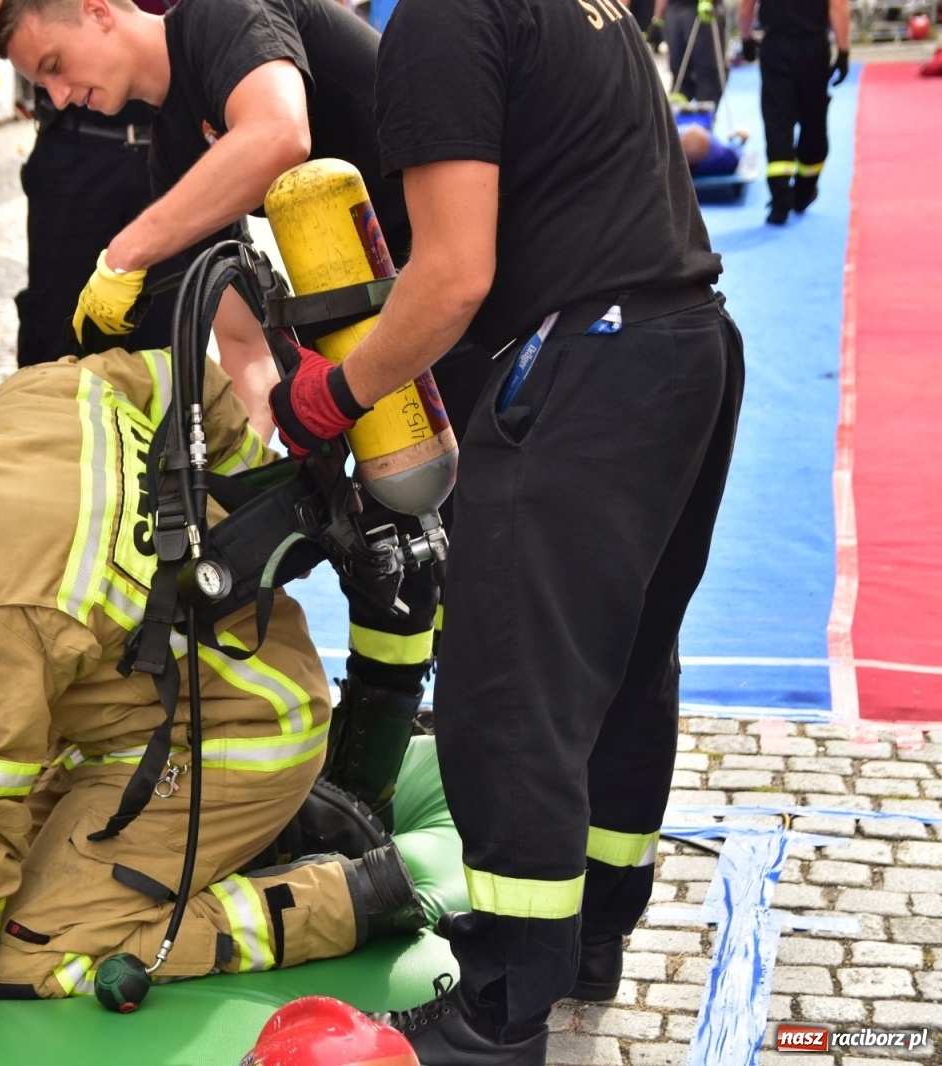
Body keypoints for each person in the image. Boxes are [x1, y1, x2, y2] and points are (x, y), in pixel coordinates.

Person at [267, 0, 746, 1059]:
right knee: (618, 663)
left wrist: (330, 394)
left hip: (585, 362)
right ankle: (588, 939)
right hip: (687, 343)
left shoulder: (440, 23)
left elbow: (450, 276)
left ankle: (497, 1007)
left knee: (509, 687)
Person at [0, 347, 429, 1016]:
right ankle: (257, 833)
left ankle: (341, 901)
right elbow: (186, 377)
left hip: (231, 743)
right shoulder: (19, 405)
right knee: (12, 884)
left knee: (29, 954)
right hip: (230, 692)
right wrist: (242, 509)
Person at [0, 0, 496, 823]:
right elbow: (245, 346)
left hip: (459, 277)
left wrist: (128, 250)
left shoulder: (218, 17)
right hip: (381, 305)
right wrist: (264, 463)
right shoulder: (174, 152)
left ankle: (490, 778)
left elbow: (278, 135)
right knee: (383, 544)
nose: (57, 97)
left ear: (98, 11)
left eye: (52, 66)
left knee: (476, 548)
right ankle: (365, 772)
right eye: (38, 90)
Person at [0, 0, 178, 373]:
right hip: (78, 149)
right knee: (56, 343)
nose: (54, 88)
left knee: (170, 345)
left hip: (175, 135)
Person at [737, 0, 850, 224]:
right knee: (813, 120)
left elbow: (746, 6)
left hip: (775, 46)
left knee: (778, 121)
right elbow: (837, 5)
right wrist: (843, 50)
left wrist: (746, 38)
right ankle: (804, 192)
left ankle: (780, 201)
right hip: (813, 48)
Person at [649, 0, 727, 104]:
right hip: (686, 12)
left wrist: (657, 18)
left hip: (684, 12)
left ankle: (697, 114)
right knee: (692, 77)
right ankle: (696, 115)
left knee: (690, 77)